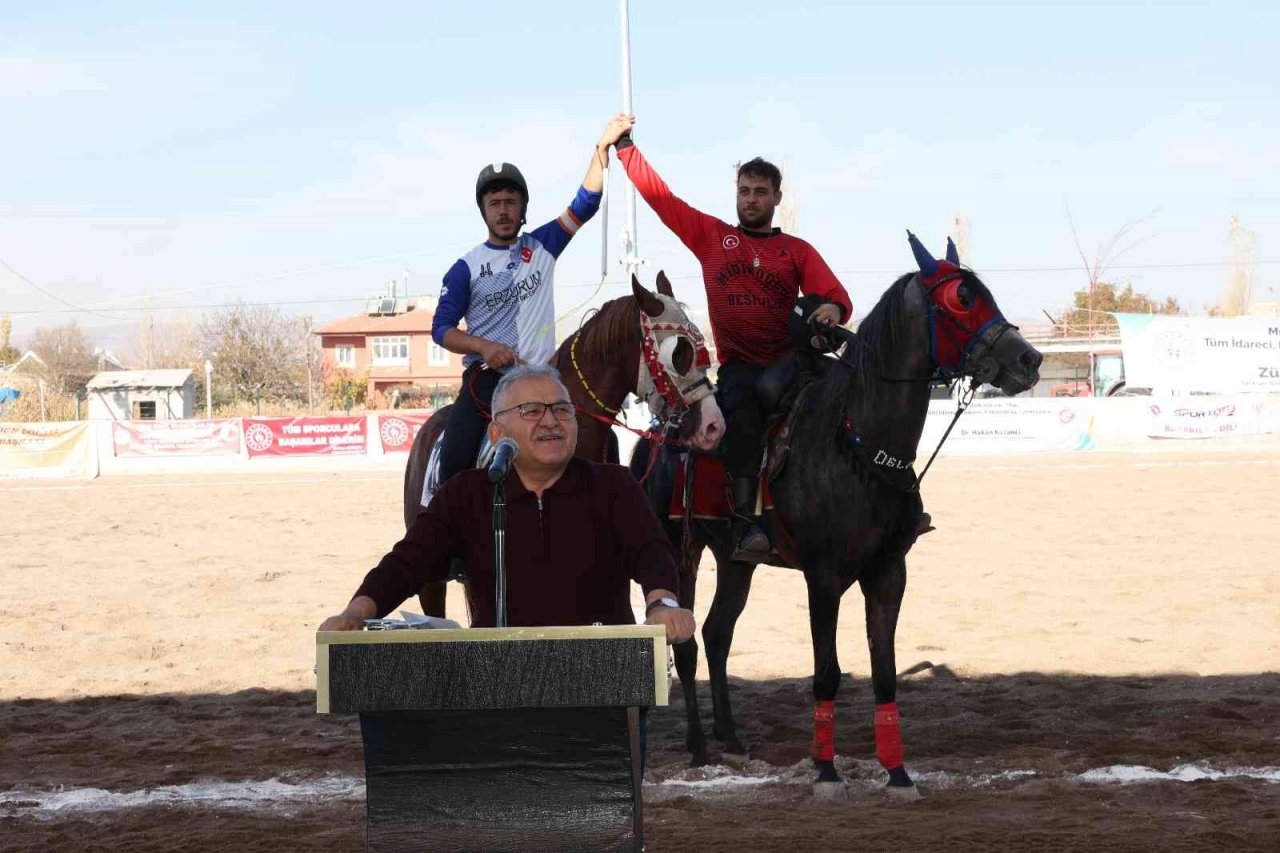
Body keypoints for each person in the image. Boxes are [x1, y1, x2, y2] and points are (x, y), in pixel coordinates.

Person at [602, 116, 854, 563]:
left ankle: (887, 501)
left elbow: (835, 297)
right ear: (736, 194)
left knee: (856, 396)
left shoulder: (796, 251)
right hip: (743, 371)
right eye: (745, 191)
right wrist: (625, 149)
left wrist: (831, 310)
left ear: (777, 198)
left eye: (761, 192)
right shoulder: (712, 237)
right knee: (744, 414)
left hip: (796, 364)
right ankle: (746, 523)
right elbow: (663, 201)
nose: (752, 199)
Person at [318, 364, 696, 643]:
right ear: (497, 432)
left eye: (562, 410)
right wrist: (357, 611)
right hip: (496, 678)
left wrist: (661, 603)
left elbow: (651, 551)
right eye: (532, 411)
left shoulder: (613, 485)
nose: (551, 421)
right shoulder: (465, 493)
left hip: (602, 675)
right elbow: (408, 561)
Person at [430, 115, 634, 489]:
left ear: (523, 208)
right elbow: (440, 329)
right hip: (488, 382)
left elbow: (585, 203)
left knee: (605, 444)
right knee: (457, 458)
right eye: (495, 203)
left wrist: (600, 149)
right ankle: (452, 532)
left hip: (545, 375)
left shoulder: (544, 245)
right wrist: (484, 346)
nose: (503, 210)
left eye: (511, 201)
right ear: (484, 211)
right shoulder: (466, 267)